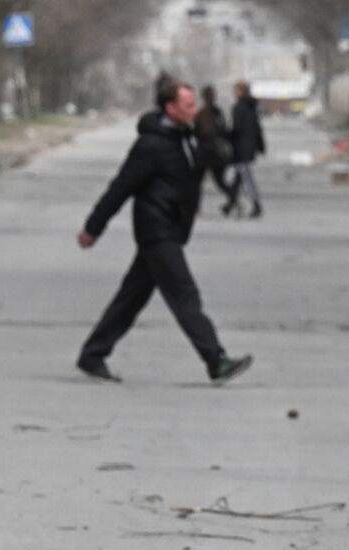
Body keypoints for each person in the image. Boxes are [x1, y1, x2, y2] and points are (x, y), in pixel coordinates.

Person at [75, 80, 253, 385]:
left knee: (130, 299)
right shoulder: (150, 145)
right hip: (156, 229)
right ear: (170, 108)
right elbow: (121, 187)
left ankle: (92, 355)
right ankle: (216, 361)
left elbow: (207, 167)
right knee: (185, 296)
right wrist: (93, 227)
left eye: (194, 104)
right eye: (188, 106)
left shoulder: (187, 138)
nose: (194, 110)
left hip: (172, 228)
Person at [194, 85, 239, 213]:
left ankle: (196, 206)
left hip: (204, 152)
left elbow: (197, 132)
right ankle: (233, 198)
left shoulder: (201, 113)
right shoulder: (217, 112)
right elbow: (223, 130)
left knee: (197, 181)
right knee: (219, 181)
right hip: (216, 152)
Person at [229, 81, 265, 219]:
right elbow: (256, 128)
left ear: (240, 92)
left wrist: (227, 137)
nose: (234, 93)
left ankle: (255, 204)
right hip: (249, 147)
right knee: (240, 176)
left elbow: (236, 129)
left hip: (241, 147)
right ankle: (231, 201)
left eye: (236, 90)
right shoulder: (251, 107)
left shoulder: (239, 108)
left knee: (245, 177)